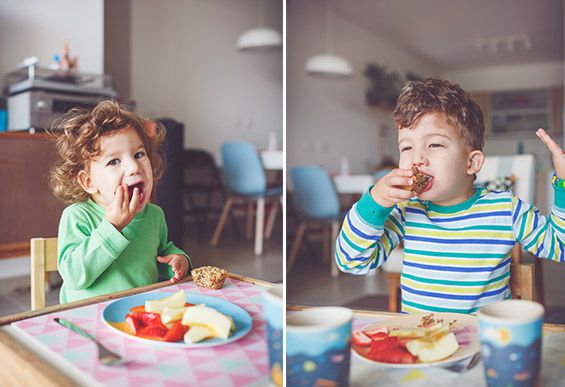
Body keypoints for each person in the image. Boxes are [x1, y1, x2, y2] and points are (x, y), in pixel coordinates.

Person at [335, 78, 565, 314]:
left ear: (471, 162)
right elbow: (351, 261)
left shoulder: (506, 210)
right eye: (406, 148)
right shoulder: (406, 211)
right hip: (418, 342)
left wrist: (563, 184)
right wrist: (374, 202)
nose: (417, 159)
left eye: (434, 144)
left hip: (481, 343)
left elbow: (560, 245)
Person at [49, 100, 191, 303]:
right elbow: (74, 276)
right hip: (89, 322)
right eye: (114, 161)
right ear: (88, 181)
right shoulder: (78, 216)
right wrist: (112, 227)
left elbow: (161, 254)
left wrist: (178, 260)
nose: (134, 166)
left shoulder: (154, 215)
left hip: (137, 317)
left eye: (139, 154)